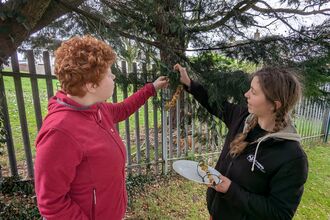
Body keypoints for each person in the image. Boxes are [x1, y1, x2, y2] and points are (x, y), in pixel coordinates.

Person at [34, 35, 168, 220]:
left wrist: (151, 88)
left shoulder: (96, 109)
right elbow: (51, 203)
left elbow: (122, 109)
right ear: (91, 85)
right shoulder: (59, 132)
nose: (113, 77)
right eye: (108, 73)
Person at [174, 64, 308, 220]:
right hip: (216, 213)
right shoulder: (242, 118)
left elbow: (279, 213)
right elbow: (215, 105)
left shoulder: (291, 157)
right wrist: (189, 83)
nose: (246, 94)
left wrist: (230, 190)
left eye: (254, 92)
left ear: (275, 105)